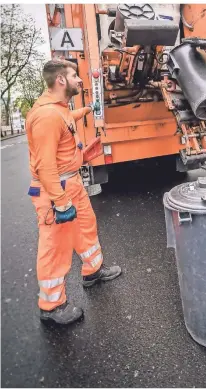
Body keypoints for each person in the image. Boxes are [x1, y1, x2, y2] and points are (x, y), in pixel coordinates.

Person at [26, 59, 122, 325]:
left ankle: (92, 271)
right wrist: (60, 202)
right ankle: (52, 306)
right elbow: (45, 166)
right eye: (75, 76)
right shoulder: (46, 117)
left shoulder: (58, 109)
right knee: (55, 248)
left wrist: (89, 108)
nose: (80, 80)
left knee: (85, 227)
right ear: (60, 80)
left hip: (72, 184)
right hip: (56, 189)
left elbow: (68, 118)